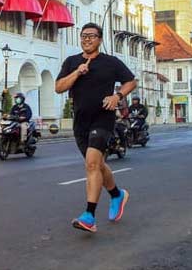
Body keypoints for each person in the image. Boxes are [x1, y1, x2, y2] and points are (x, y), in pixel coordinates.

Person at [56, 22, 138, 233]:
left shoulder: (110, 62)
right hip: (80, 122)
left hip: (103, 118)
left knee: (92, 164)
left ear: (100, 40)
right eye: (84, 36)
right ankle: (117, 195)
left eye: (92, 36)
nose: (87, 39)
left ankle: (89, 216)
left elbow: (131, 82)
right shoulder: (72, 62)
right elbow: (59, 87)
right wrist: (77, 72)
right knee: (98, 164)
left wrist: (117, 96)